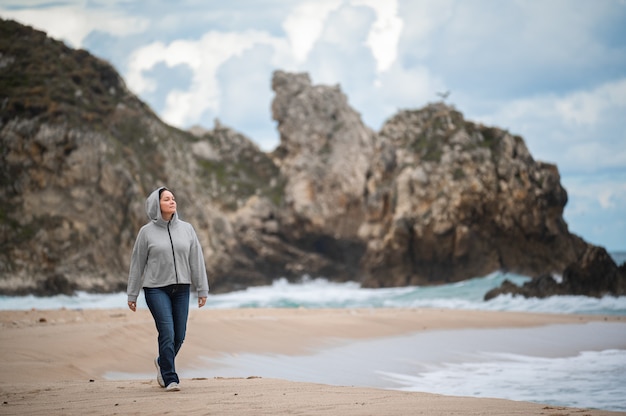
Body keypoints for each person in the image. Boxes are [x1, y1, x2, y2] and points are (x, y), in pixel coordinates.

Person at [127, 186, 209, 392]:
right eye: (166, 199)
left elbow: (196, 260)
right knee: (167, 332)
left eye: (173, 198)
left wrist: (202, 289)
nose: (172, 202)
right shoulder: (146, 233)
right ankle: (171, 378)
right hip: (156, 289)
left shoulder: (187, 229)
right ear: (157, 205)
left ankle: (162, 362)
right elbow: (137, 264)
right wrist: (133, 293)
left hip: (182, 289)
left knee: (179, 335)